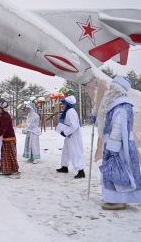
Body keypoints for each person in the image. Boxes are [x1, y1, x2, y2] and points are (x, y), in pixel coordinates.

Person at [96, 76, 141, 210]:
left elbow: (118, 128)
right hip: (115, 144)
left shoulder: (122, 105)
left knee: (118, 171)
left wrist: (113, 147)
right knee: (114, 171)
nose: (109, 89)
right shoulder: (116, 104)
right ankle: (115, 198)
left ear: (117, 89)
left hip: (119, 147)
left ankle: (118, 200)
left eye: (112, 87)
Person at [56, 95, 85, 179]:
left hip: (73, 135)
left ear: (67, 104)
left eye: (64, 103)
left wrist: (65, 132)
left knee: (75, 152)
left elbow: (74, 125)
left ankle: (81, 170)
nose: (63, 104)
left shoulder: (70, 111)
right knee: (66, 151)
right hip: (70, 135)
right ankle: (64, 166)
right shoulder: (68, 111)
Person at [0, 99, 19, 175]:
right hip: (4, 138)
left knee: (7, 155)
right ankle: (6, 169)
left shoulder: (5, 116)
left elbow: (3, 129)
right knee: (4, 154)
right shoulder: (3, 115)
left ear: (2, 109)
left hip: (8, 138)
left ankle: (9, 169)